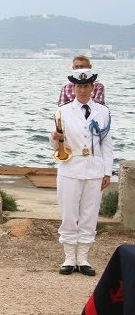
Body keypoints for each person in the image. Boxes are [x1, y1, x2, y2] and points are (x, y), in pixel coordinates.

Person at [50, 67, 112, 276]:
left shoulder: (103, 112)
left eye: (86, 86)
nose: (83, 91)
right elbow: (55, 145)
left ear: (93, 87)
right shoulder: (63, 111)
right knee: (69, 214)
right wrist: (54, 138)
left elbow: (107, 145)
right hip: (70, 168)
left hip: (94, 169)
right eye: (79, 87)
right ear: (73, 88)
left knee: (89, 214)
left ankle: (83, 258)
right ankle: (69, 257)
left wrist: (107, 172)